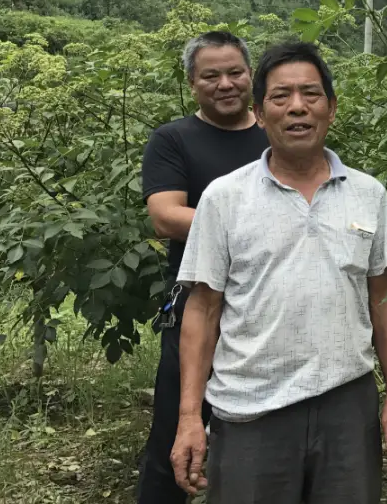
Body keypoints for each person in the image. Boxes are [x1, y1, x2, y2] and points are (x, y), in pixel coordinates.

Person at [170, 40, 387, 504]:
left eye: (311, 94)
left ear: (332, 108)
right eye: (281, 97)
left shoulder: (368, 193)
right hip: (251, 410)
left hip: (347, 405)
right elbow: (202, 309)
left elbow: (384, 294)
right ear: (260, 113)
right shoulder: (224, 198)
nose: (297, 107)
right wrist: (188, 417)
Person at [136, 31, 269, 504]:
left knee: (264, 444)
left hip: (268, 313)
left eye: (235, 72)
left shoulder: (275, 133)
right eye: (211, 75)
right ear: (192, 82)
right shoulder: (174, 139)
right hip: (199, 307)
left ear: (251, 75)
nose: (226, 84)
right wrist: (261, 222)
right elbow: (165, 215)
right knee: (176, 438)